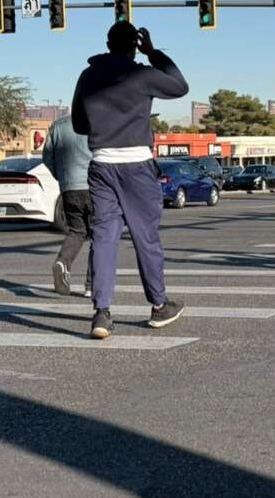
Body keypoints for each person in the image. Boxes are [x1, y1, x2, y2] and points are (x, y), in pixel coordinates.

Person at [72, 22, 189, 339]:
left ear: (107, 43)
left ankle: (102, 314)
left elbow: (80, 124)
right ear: (135, 45)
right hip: (137, 166)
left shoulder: (88, 76)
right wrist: (154, 53)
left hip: (101, 166)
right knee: (145, 238)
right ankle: (158, 305)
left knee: (104, 239)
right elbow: (180, 86)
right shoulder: (142, 74)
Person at [42, 116, 94, 298]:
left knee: (76, 231)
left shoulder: (57, 126)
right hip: (94, 185)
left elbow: (47, 156)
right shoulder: (96, 119)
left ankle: (63, 262)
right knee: (99, 235)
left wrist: (62, 177)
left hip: (68, 187)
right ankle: (92, 285)